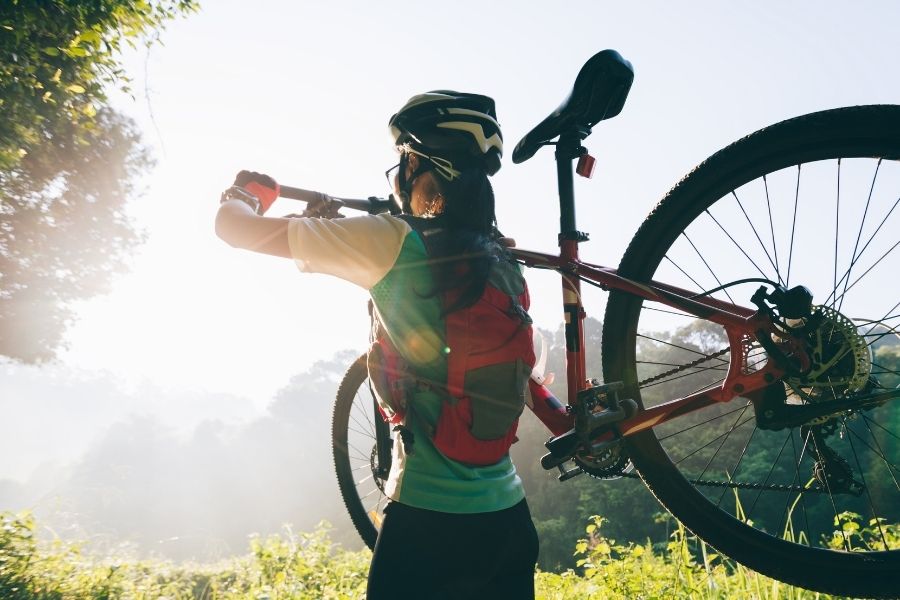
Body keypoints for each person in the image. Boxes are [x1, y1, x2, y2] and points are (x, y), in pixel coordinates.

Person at [215, 91, 540, 599]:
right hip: (509, 524)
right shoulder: (501, 257)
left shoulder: (389, 241)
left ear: (415, 163)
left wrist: (244, 193)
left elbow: (234, 231)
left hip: (425, 527)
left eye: (400, 162)